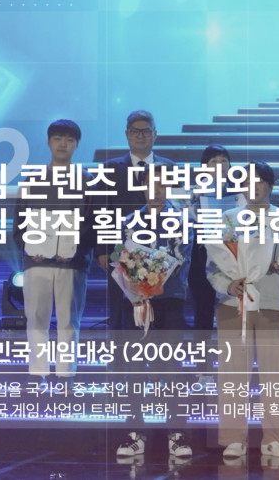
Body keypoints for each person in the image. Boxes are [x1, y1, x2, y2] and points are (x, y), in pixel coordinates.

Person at [208, 161, 279, 462]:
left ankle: (274, 438)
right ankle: (234, 438)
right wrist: (227, 284)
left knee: (274, 374)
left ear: (270, 185)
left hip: (270, 301)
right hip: (233, 304)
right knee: (232, 374)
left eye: (259, 181)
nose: (254, 187)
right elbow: (212, 265)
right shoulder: (227, 219)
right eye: (247, 181)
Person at [115, 166, 193, 461]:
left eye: (162, 184)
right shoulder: (128, 221)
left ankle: (176, 432)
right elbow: (119, 257)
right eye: (150, 183)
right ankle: (135, 433)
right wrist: (136, 283)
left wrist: (154, 279)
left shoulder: (181, 220)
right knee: (135, 368)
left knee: (171, 368)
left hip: (169, 300)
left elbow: (181, 258)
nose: (156, 189)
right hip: (135, 303)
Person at [13, 119, 94, 378]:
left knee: (69, 321)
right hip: (36, 263)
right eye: (58, 138)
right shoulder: (32, 181)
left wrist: (76, 251)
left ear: (77, 145)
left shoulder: (88, 182)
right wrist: (29, 248)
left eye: (69, 140)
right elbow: (19, 225)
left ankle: (66, 375)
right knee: (36, 319)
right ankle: (38, 374)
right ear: (48, 142)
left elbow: (94, 224)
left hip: (72, 264)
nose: (63, 144)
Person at [99, 110, 176, 329]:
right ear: (127, 134)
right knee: (121, 312)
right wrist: (102, 249)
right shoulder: (110, 168)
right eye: (135, 131)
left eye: (146, 131)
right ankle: (121, 352)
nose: (141, 136)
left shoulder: (169, 167)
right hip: (121, 252)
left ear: (155, 134)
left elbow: (177, 207)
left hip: (162, 253)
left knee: (161, 314)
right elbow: (102, 211)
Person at [189, 144, 234, 332]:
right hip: (202, 258)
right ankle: (202, 351)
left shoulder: (239, 192)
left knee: (232, 311)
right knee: (203, 311)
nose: (220, 165)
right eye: (213, 161)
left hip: (232, 257)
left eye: (224, 161)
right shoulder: (193, 193)